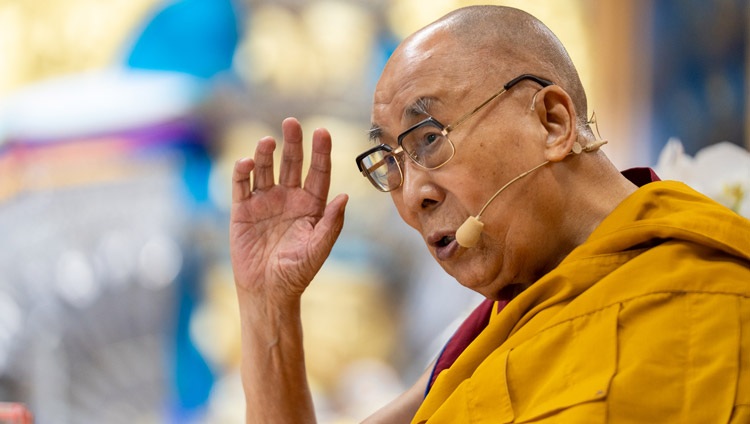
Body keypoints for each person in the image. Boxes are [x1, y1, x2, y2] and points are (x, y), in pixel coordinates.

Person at [230, 5, 750, 423]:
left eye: (429, 138)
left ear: (552, 122)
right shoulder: (486, 335)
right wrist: (267, 302)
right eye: (389, 162)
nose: (412, 196)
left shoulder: (711, 297)